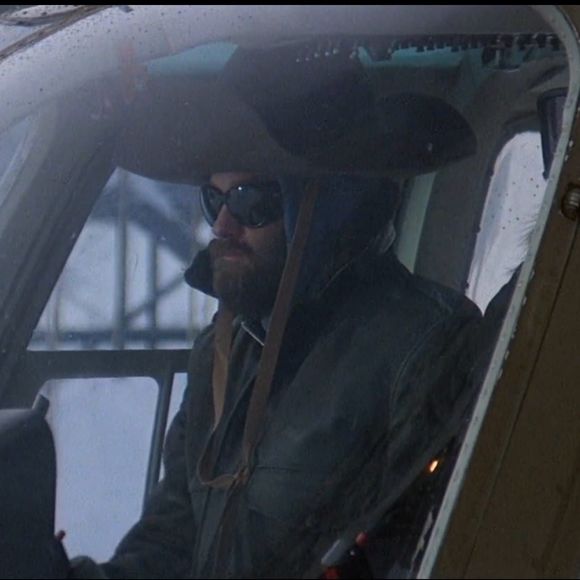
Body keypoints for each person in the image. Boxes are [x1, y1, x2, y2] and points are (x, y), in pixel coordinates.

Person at [70, 171, 482, 579]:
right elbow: (173, 540)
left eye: (248, 202)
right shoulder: (222, 352)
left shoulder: (424, 345)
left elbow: (415, 554)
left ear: (323, 212)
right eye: (213, 200)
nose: (221, 226)